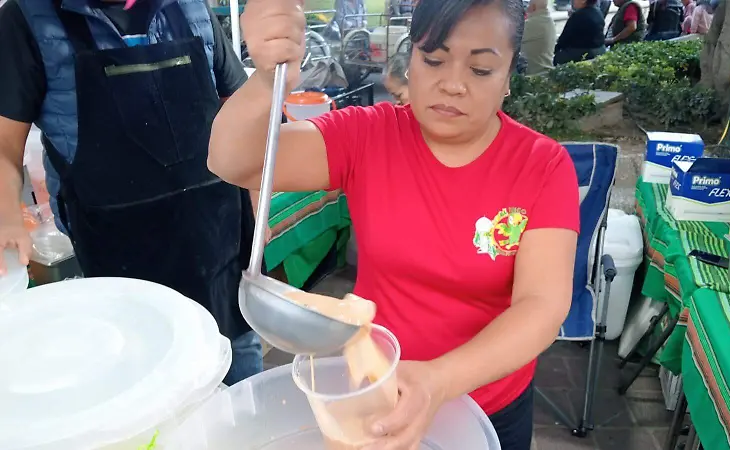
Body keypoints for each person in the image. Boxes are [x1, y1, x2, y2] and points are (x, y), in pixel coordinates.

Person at [209, 0, 580, 448]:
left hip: (487, 403)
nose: (453, 84)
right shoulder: (369, 136)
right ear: (412, 62)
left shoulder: (541, 166)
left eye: (481, 70)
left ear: (506, 80)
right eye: (434, 59)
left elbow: (541, 304)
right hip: (372, 391)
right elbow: (232, 161)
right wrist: (271, 79)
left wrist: (438, 380)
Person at [0, 0, 263, 385]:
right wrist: (8, 214)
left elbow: (243, 111)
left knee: (239, 363)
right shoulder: (27, 19)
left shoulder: (191, 8)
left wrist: (259, 205)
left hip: (218, 234)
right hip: (118, 251)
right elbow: (5, 144)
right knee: (151, 384)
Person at [554, 0, 607, 65]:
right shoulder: (598, 12)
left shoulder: (578, 15)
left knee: (556, 58)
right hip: (600, 50)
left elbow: (563, 40)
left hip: (584, 52)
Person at [521, 0, 557, 75]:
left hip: (534, 75)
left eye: (528, 5)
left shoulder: (532, 23)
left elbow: (509, 38)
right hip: (546, 71)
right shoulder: (548, 21)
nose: (527, 8)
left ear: (533, 7)